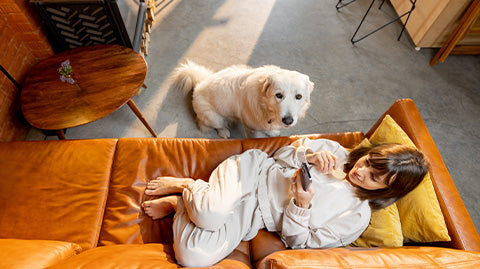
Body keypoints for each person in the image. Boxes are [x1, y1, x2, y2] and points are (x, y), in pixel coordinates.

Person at [142, 138, 428, 267]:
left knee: (192, 258)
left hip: (254, 217)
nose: (361, 172)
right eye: (367, 162)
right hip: (250, 173)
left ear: (386, 190)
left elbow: (300, 243)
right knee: (210, 214)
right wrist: (309, 157)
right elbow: (279, 156)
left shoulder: (356, 216)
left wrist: (300, 207)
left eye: (374, 177)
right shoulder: (335, 151)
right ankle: (189, 186)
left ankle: (182, 204)